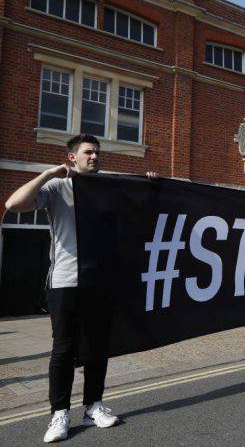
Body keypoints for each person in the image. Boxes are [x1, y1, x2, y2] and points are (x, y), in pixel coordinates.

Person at [4, 134, 158, 443]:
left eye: (97, 153)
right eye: (88, 152)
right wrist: (49, 173)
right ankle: (59, 413)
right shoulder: (58, 187)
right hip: (65, 282)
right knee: (64, 349)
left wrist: (151, 184)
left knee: (97, 347)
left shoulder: (108, 189)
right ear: (72, 157)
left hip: (100, 281)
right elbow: (13, 204)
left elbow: (141, 209)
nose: (94, 157)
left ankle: (93, 406)